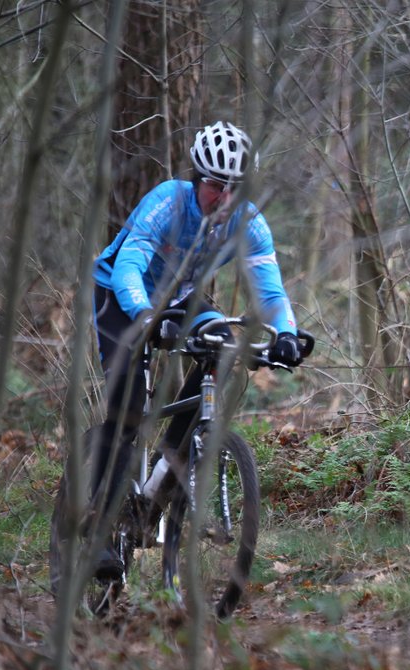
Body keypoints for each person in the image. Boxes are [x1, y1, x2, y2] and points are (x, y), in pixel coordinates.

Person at [88, 120, 304, 577]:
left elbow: (269, 291)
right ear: (195, 178)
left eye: (234, 189)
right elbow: (129, 264)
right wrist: (144, 315)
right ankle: (99, 526)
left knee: (225, 345)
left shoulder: (249, 222)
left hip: (179, 298)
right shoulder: (168, 201)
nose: (222, 198)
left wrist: (285, 333)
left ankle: (167, 466)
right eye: (213, 185)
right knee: (127, 407)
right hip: (120, 294)